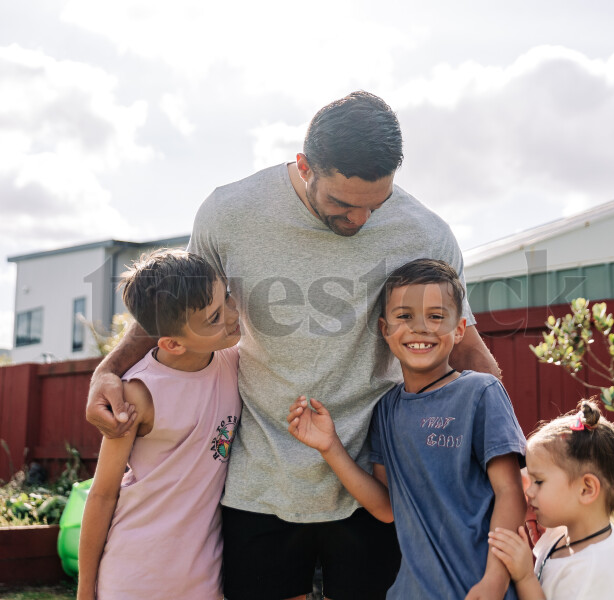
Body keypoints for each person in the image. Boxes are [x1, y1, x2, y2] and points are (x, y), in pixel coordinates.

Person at [86, 90, 502, 600]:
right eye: (342, 205)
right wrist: (109, 369)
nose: (359, 221)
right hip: (258, 480)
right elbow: (178, 309)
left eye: (376, 204)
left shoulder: (427, 233)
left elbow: (469, 355)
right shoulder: (229, 212)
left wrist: (507, 464)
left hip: (371, 486)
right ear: (305, 166)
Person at [288, 258, 526, 599]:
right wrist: (330, 447)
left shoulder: (480, 393)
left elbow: (510, 492)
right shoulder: (386, 410)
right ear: (385, 330)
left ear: (459, 329)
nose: (420, 328)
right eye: (404, 316)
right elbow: (387, 508)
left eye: (436, 316)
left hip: (481, 588)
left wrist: (495, 580)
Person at [78, 249, 241, 599]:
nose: (232, 314)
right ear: (171, 343)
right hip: (134, 578)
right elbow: (103, 493)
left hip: (204, 581)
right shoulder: (137, 394)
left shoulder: (232, 361)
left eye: (226, 297)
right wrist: (84, 589)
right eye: (214, 317)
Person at [487, 400, 614, 600]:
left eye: (538, 481)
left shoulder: (593, 572)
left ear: (586, 489)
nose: (529, 491)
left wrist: (525, 577)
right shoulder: (568, 533)